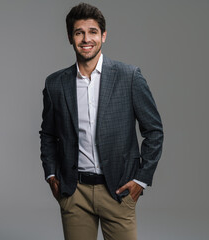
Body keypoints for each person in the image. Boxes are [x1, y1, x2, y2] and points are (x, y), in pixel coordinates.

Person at [39, 3, 163, 240]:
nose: (87, 39)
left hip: (118, 191)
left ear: (103, 36)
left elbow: (154, 131)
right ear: (70, 38)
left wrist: (141, 179)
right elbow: (48, 134)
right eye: (79, 32)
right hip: (74, 193)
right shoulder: (55, 83)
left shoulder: (129, 77)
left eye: (93, 31)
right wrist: (51, 175)